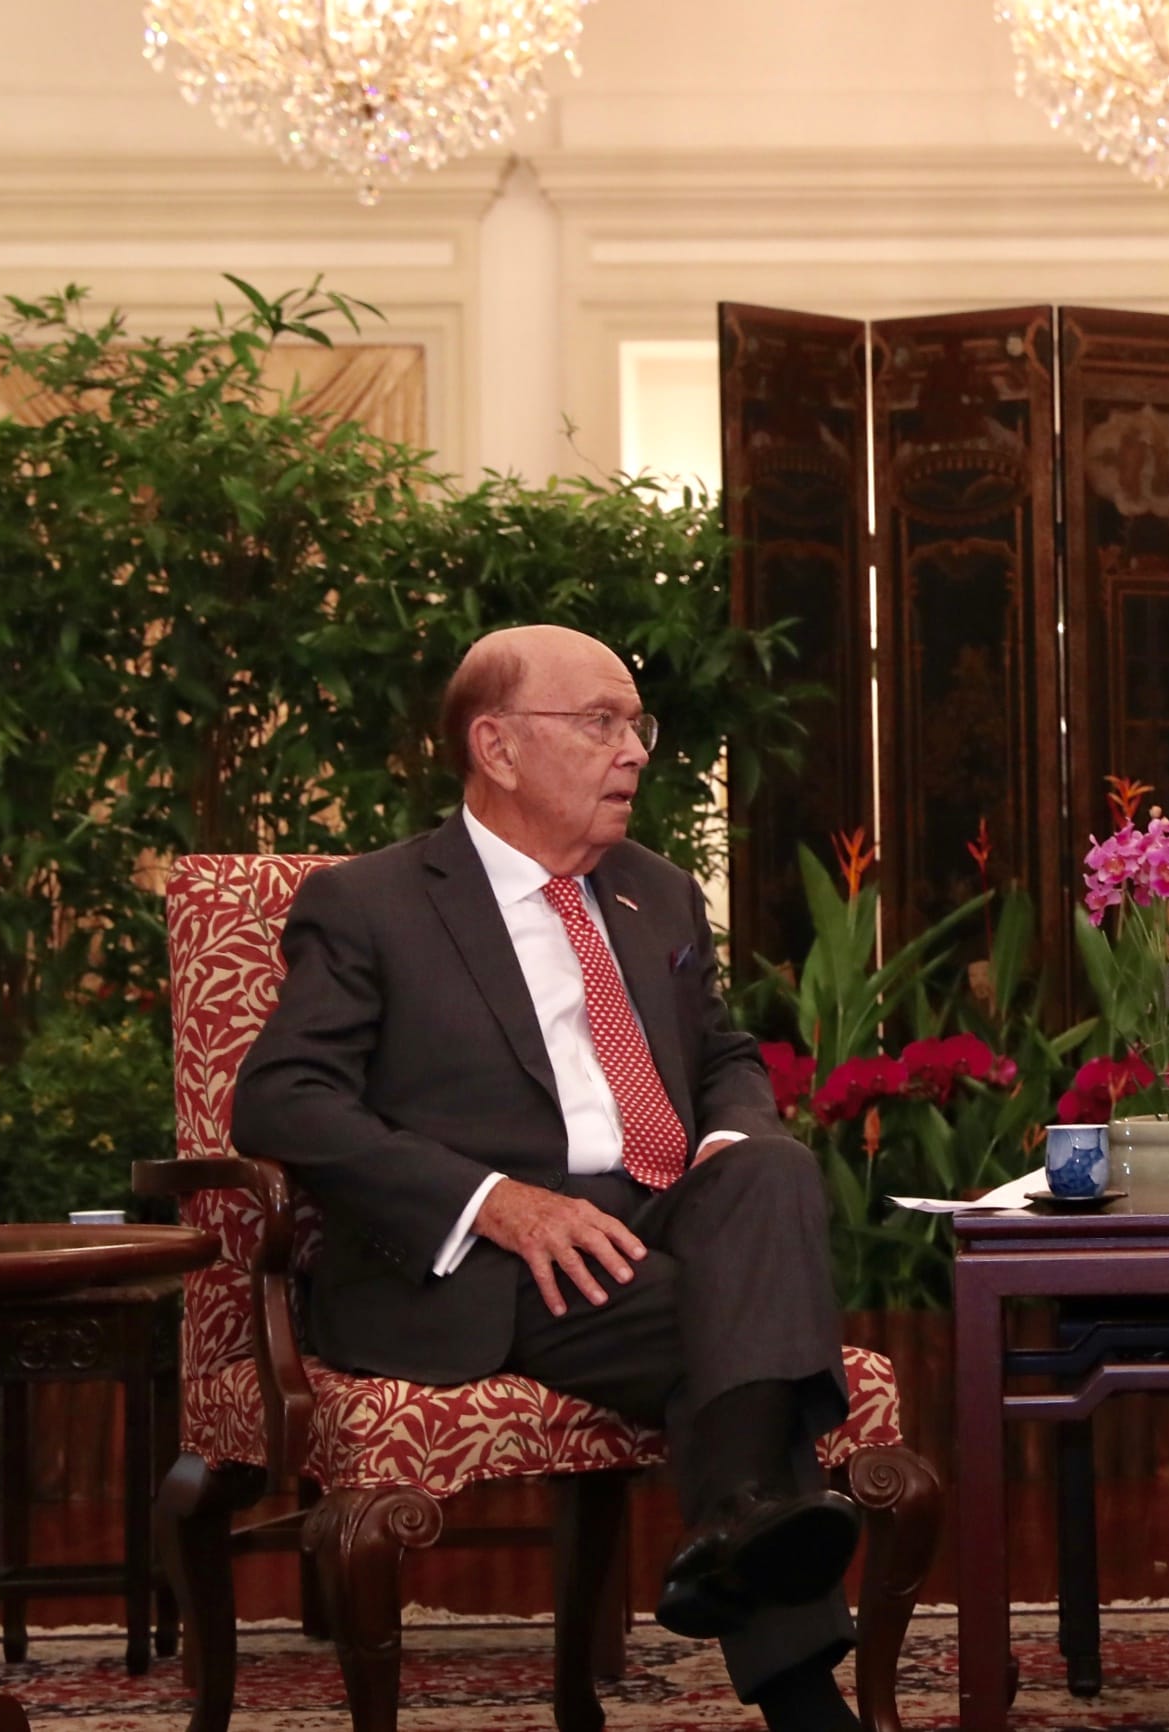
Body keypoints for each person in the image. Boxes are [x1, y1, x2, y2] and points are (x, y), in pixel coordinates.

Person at [233, 625, 864, 1732]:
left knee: (772, 1168)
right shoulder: (371, 901)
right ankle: (800, 1677)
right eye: (600, 723)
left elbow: (721, 1055)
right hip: (491, 1259)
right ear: (497, 745)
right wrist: (498, 1204)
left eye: (637, 726)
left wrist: (723, 1143)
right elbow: (283, 1100)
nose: (633, 751)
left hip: (660, 1213)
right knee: (745, 1332)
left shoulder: (656, 893)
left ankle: (734, 1531)